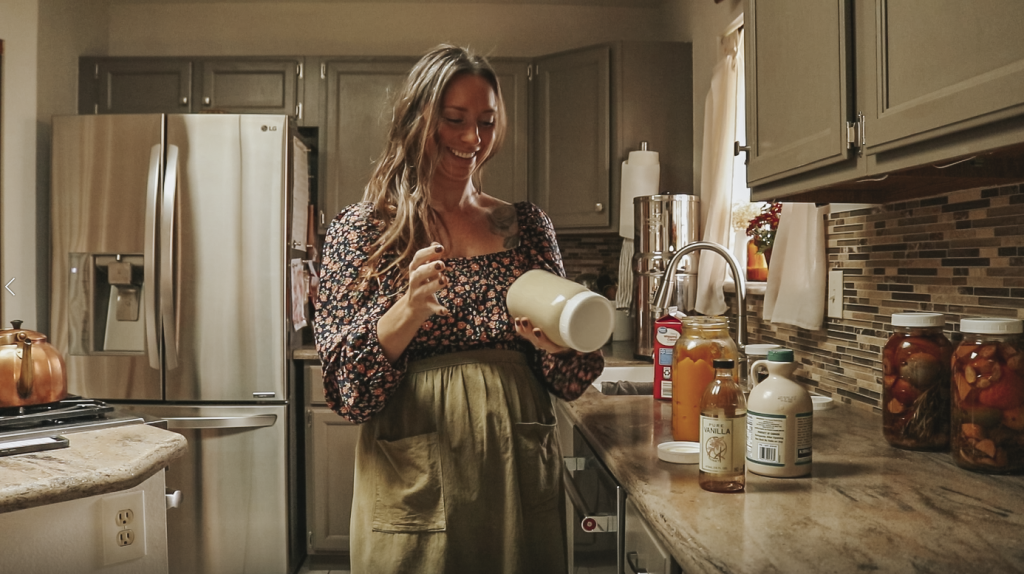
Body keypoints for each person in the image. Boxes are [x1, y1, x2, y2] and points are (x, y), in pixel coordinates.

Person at [314, 44, 604, 574]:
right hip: (414, 474)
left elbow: (571, 378)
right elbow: (344, 392)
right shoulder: (361, 233)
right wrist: (405, 313)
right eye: (454, 119)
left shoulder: (526, 226)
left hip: (518, 469)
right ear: (416, 118)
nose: (472, 139)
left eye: (487, 122)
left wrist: (559, 346)